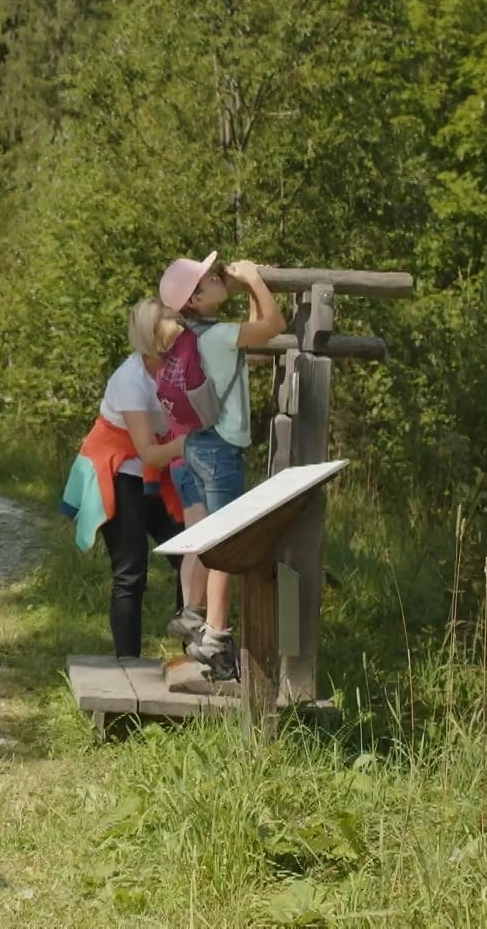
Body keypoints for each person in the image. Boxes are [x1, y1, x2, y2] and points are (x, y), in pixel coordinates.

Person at [156, 252, 287, 677]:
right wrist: (253, 278)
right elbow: (275, 326)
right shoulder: (215, 337)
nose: (216, 277)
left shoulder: (196, 334)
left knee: (204, 536)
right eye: (207, 278)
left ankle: (192, 614)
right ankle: (215, 637)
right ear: (194, 299)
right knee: (226, 547)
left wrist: (249, 288)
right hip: (219, 451)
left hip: (196, 446)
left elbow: (258, 341)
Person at [60, 298, 189, 658]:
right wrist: (190, 443)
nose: (179, 345)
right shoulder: (130, 381)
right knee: (131, 572)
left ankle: (196, 654)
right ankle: (127, 664)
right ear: (153, 340)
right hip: (119, 473)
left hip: (155, 473)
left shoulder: (179, 366)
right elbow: (148, 451)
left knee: (191, 556)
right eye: (171, 339)